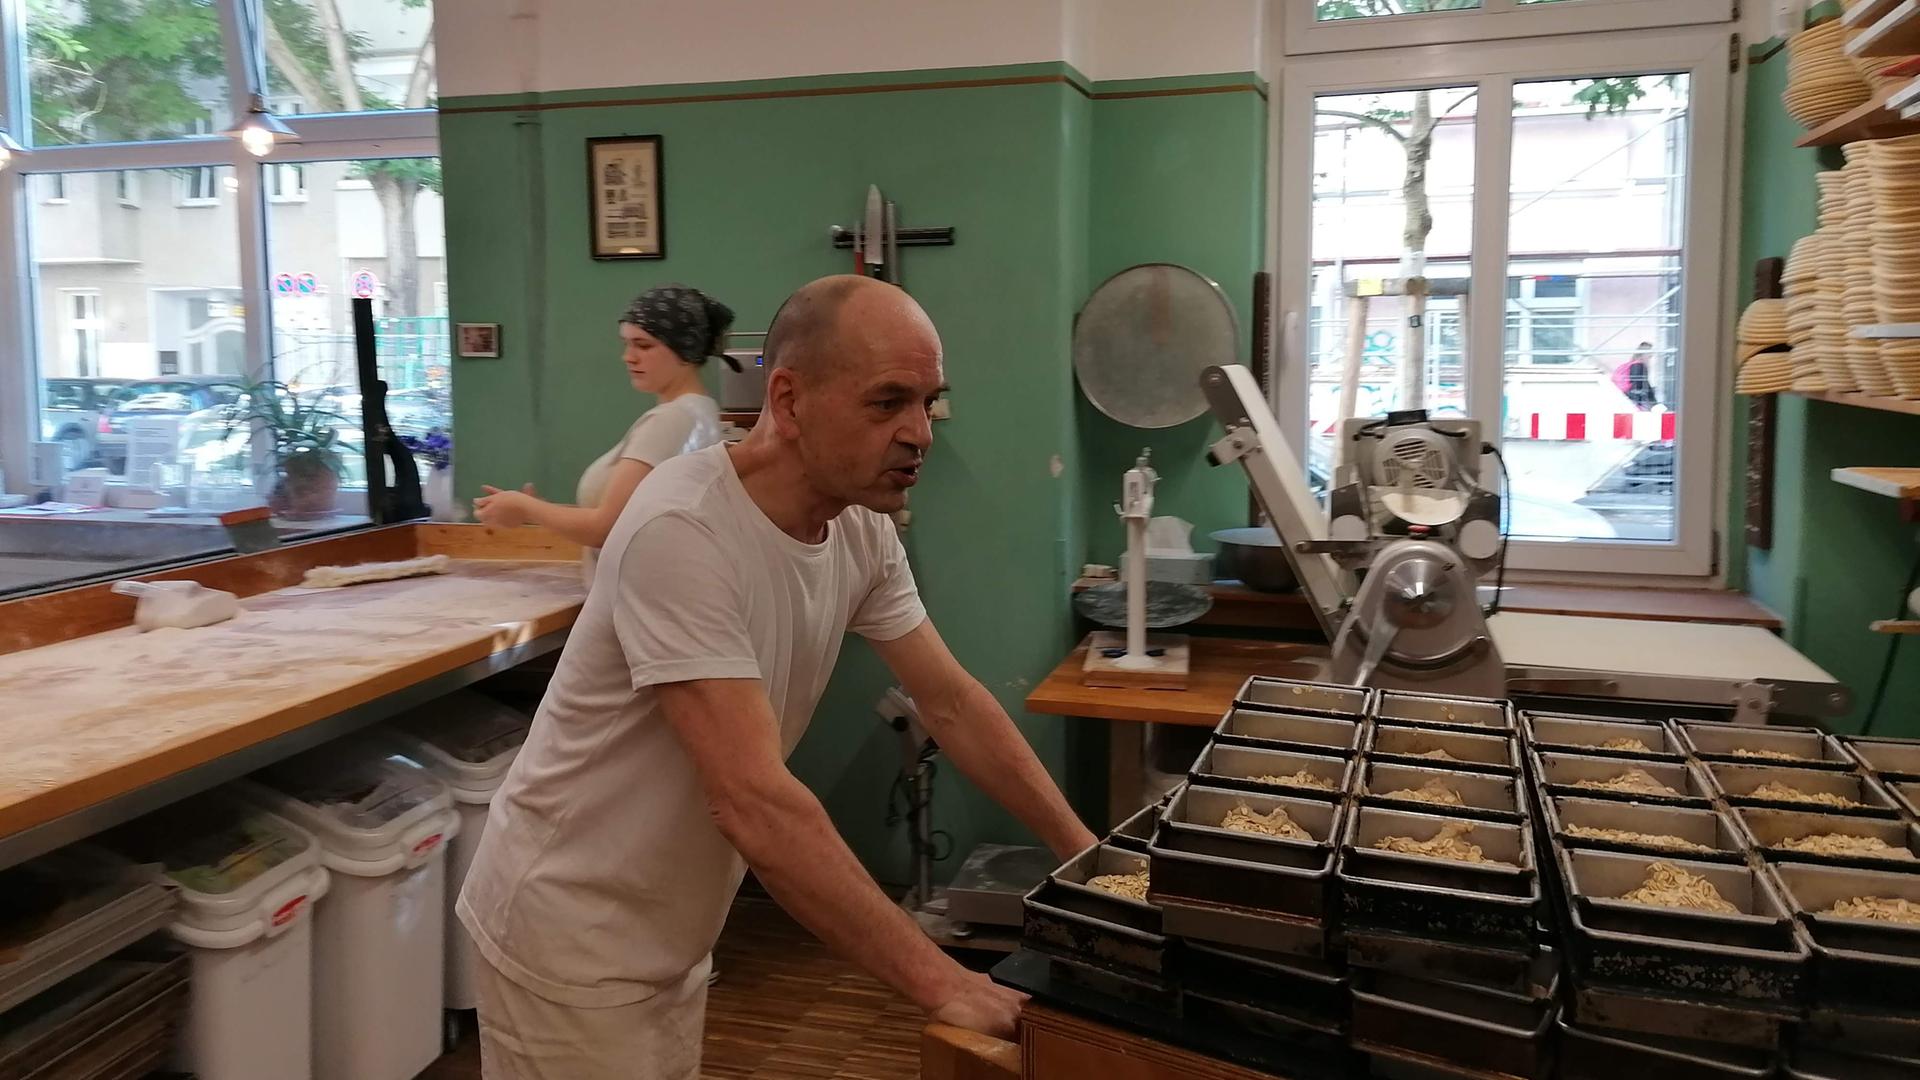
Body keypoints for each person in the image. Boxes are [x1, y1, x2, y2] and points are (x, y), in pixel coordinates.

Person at [457, 275, 1097, 1079]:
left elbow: (953, 703)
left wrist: (1092, 862)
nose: (920, 432)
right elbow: (752, 800)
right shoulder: (683, 530)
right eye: (887, 402)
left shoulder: (860, 527)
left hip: (668, 922)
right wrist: (944, 983)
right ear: (789, 400)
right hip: (570, 924)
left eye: (928, 402)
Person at [473, 284, 734, 577]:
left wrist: (525, 507)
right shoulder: (703, 410)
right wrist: (535, 509)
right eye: (627, 343)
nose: (629, 356)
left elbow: (606, 528)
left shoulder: (669, 420)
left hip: (638, 604)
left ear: (685, 351)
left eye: (644, 345)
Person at [1612, 340, 1659, 411]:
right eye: (1650, 354)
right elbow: (1643, 384)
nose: (1651, 356)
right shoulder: (1640, 366)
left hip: (1627, 396)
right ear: (1645, 354)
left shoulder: (1632, 364)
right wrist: (1654, 403)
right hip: (1636, 401)